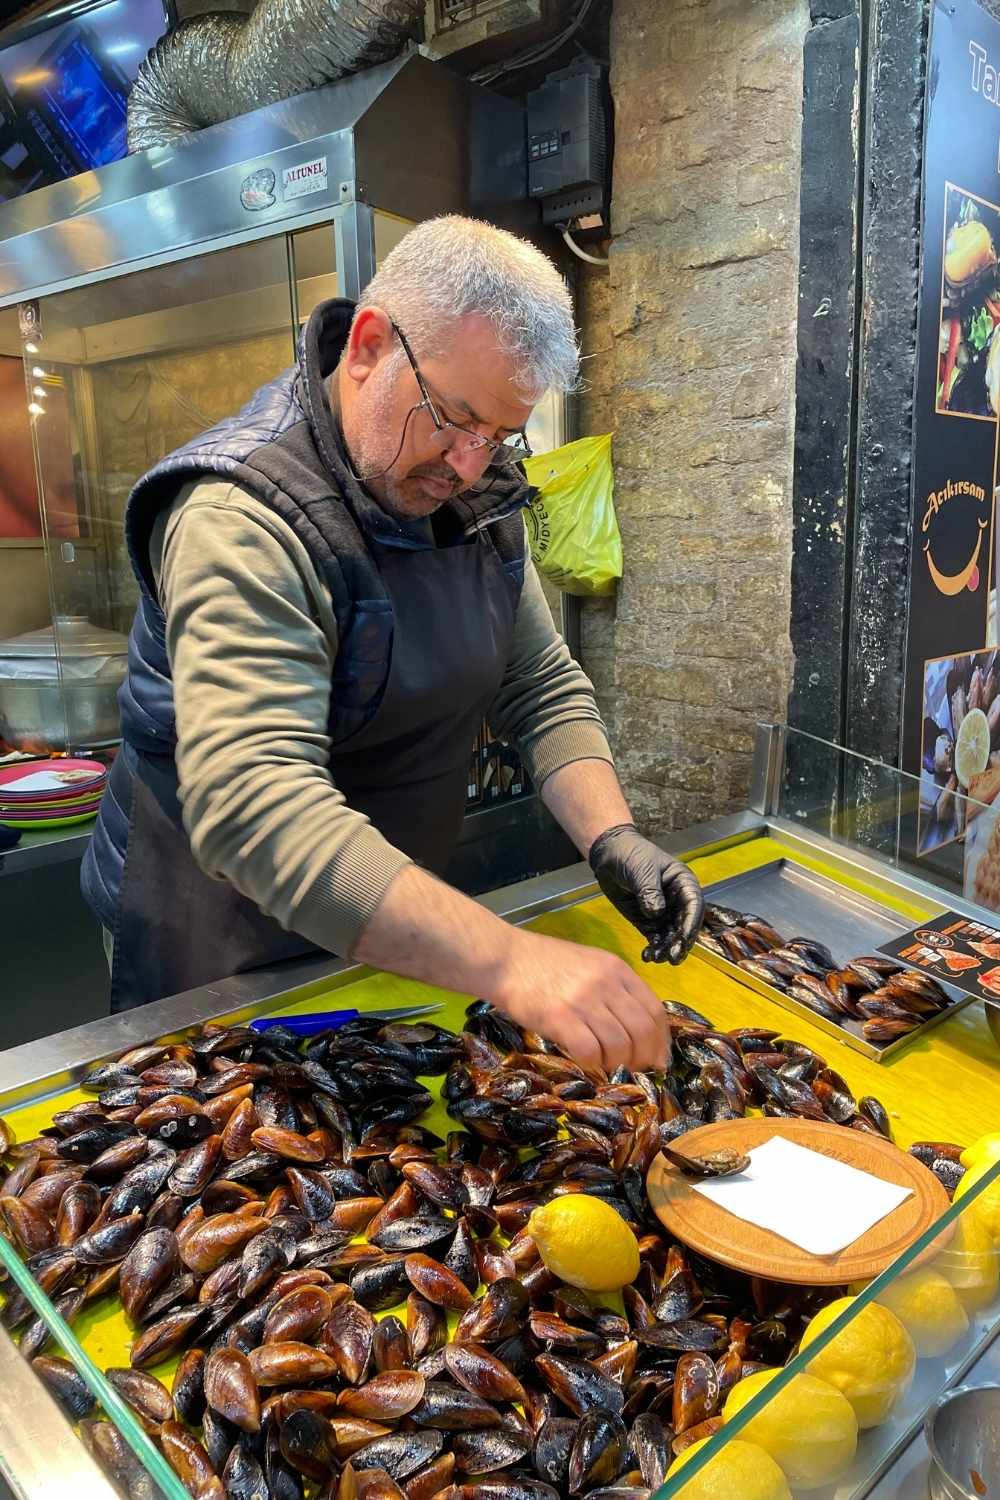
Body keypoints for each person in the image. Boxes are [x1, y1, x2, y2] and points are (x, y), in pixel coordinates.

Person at [82, 215, 703, 1070]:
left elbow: (540, 685)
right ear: (369, 346)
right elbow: (256, 805)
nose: (469, 466)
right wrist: (513, 961)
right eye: (453, 418)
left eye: (499, 436)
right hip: (221, 942)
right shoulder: (240, 517)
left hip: (390, 921)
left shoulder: (468, 499)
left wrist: (611, 836)